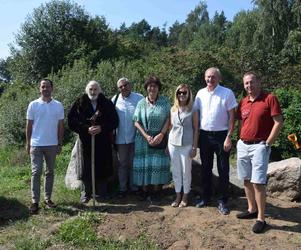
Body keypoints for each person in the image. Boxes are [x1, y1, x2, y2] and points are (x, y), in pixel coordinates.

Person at [236, 72, 283, 233]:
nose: (249, 86)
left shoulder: (269, 98)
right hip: (243, 144)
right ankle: (251, 210)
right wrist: (238, 140)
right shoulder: (243, 102)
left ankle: (261, 218)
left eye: (251, 82)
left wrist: (268, 144)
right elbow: (241, 122)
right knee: (246, 179)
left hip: (259, 146)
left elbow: (278, 122)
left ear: (258, 82)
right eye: (246, 83)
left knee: (258, 182)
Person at [194, 67, 237, 215]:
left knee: (223, 168)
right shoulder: (200, 93)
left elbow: (232, 117)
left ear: (219, 78)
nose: (209, 79)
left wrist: (229, 137)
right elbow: (196, 115)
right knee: (206, 167)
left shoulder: (227, 93)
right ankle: (206, 197)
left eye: (213, 77)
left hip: (221, 135)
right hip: (205, 135)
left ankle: (222, 200)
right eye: (207, 77)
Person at [68, 80, 118, 203]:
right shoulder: (80, 102)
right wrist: (86, 129)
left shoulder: (106, 103)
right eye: (91, 89)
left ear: (99, 90)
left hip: (102, 142)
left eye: (95, 89)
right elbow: (71, 120)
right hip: (85, 142)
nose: (93, 91)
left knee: (103, 166)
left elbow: (114, 121)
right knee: (85, 166)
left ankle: (102, 193)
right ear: (87, 90)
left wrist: (101, 128)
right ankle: (86, 192)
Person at [26, 79, 64, 214]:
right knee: (36, 172)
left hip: (52, 144)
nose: (45, 89)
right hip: (36, 144)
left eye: (47, 86)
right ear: (39, 89)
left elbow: (60, 126)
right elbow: (29, 126)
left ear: (52, 88)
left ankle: (48, 199)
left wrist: (60, 143)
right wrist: (28, 143)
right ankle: (34, 201)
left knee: (50, 172)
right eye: (43, 86)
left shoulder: (58, 105)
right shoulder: (33, 105)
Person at [133, 76, 171, 201]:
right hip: (144, 139)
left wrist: (161, 134)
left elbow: (169, 119)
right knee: (145, 164)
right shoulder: (141, 103)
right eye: (150, 86)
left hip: (160, 138)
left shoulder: (165, 101)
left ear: (158, 88)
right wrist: (146, 136)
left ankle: (157, 191)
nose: (152, 88)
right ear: (146, 88)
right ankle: (144, 191)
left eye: (155, 86)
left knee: (158, 163)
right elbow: (136, 122)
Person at [112, 77, 143, 198]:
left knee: (134, 163)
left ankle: (134, 187)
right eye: (120, 87)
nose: (123, 88)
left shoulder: (139, 98)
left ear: (130, 85)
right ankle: (122, 188)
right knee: (122, 163)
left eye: (125, 85)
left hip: (136, 136)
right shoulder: (114, 99)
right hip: (120, 138)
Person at [168, 84, 198, 207]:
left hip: (187, 144)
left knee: (186, 171)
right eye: (179, 93)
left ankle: (185, 195)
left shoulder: (193, 110)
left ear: (189, 94)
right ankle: (178, 195)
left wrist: (194, 147)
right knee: (176, 171)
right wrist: (166, 145)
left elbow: (196, 129)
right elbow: (170, 127)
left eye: (184, 93)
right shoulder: (173, 109)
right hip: (173, 143)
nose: (182, 95)